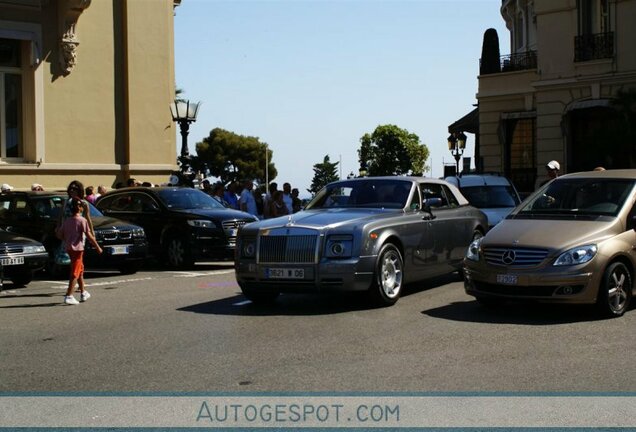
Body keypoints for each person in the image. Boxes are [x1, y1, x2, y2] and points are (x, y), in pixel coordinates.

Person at [56, 198, 102, 305]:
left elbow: (59, 235)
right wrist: (97, 247)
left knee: (80, 269)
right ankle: (69, 295)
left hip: (69, 248)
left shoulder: (67, 221)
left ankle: (83, 292)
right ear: (81, 208)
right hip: (78, 249)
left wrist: (67, 237)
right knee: (75, 273)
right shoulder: (82, 220)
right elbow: (89, 235)